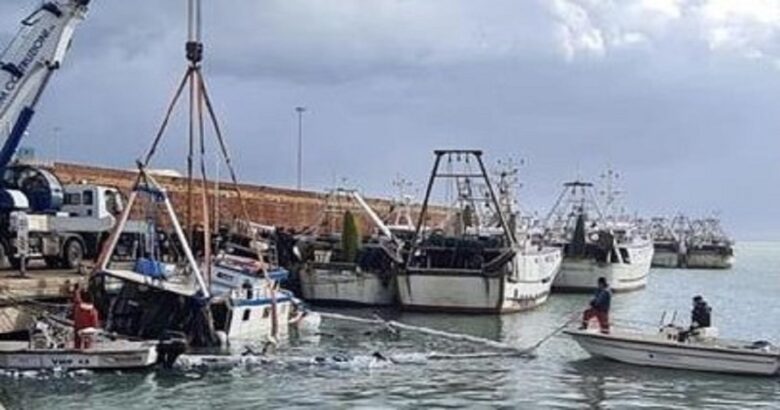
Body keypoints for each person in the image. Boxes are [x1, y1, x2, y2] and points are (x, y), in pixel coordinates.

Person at [72, 283, 100, 349]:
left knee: (78, 343)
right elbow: (95, 324)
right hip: (88, 329)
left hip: (79, 328)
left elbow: (77, 299)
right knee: (87, 343)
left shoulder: (78, 308)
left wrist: (77, 290)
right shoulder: (93, 311)